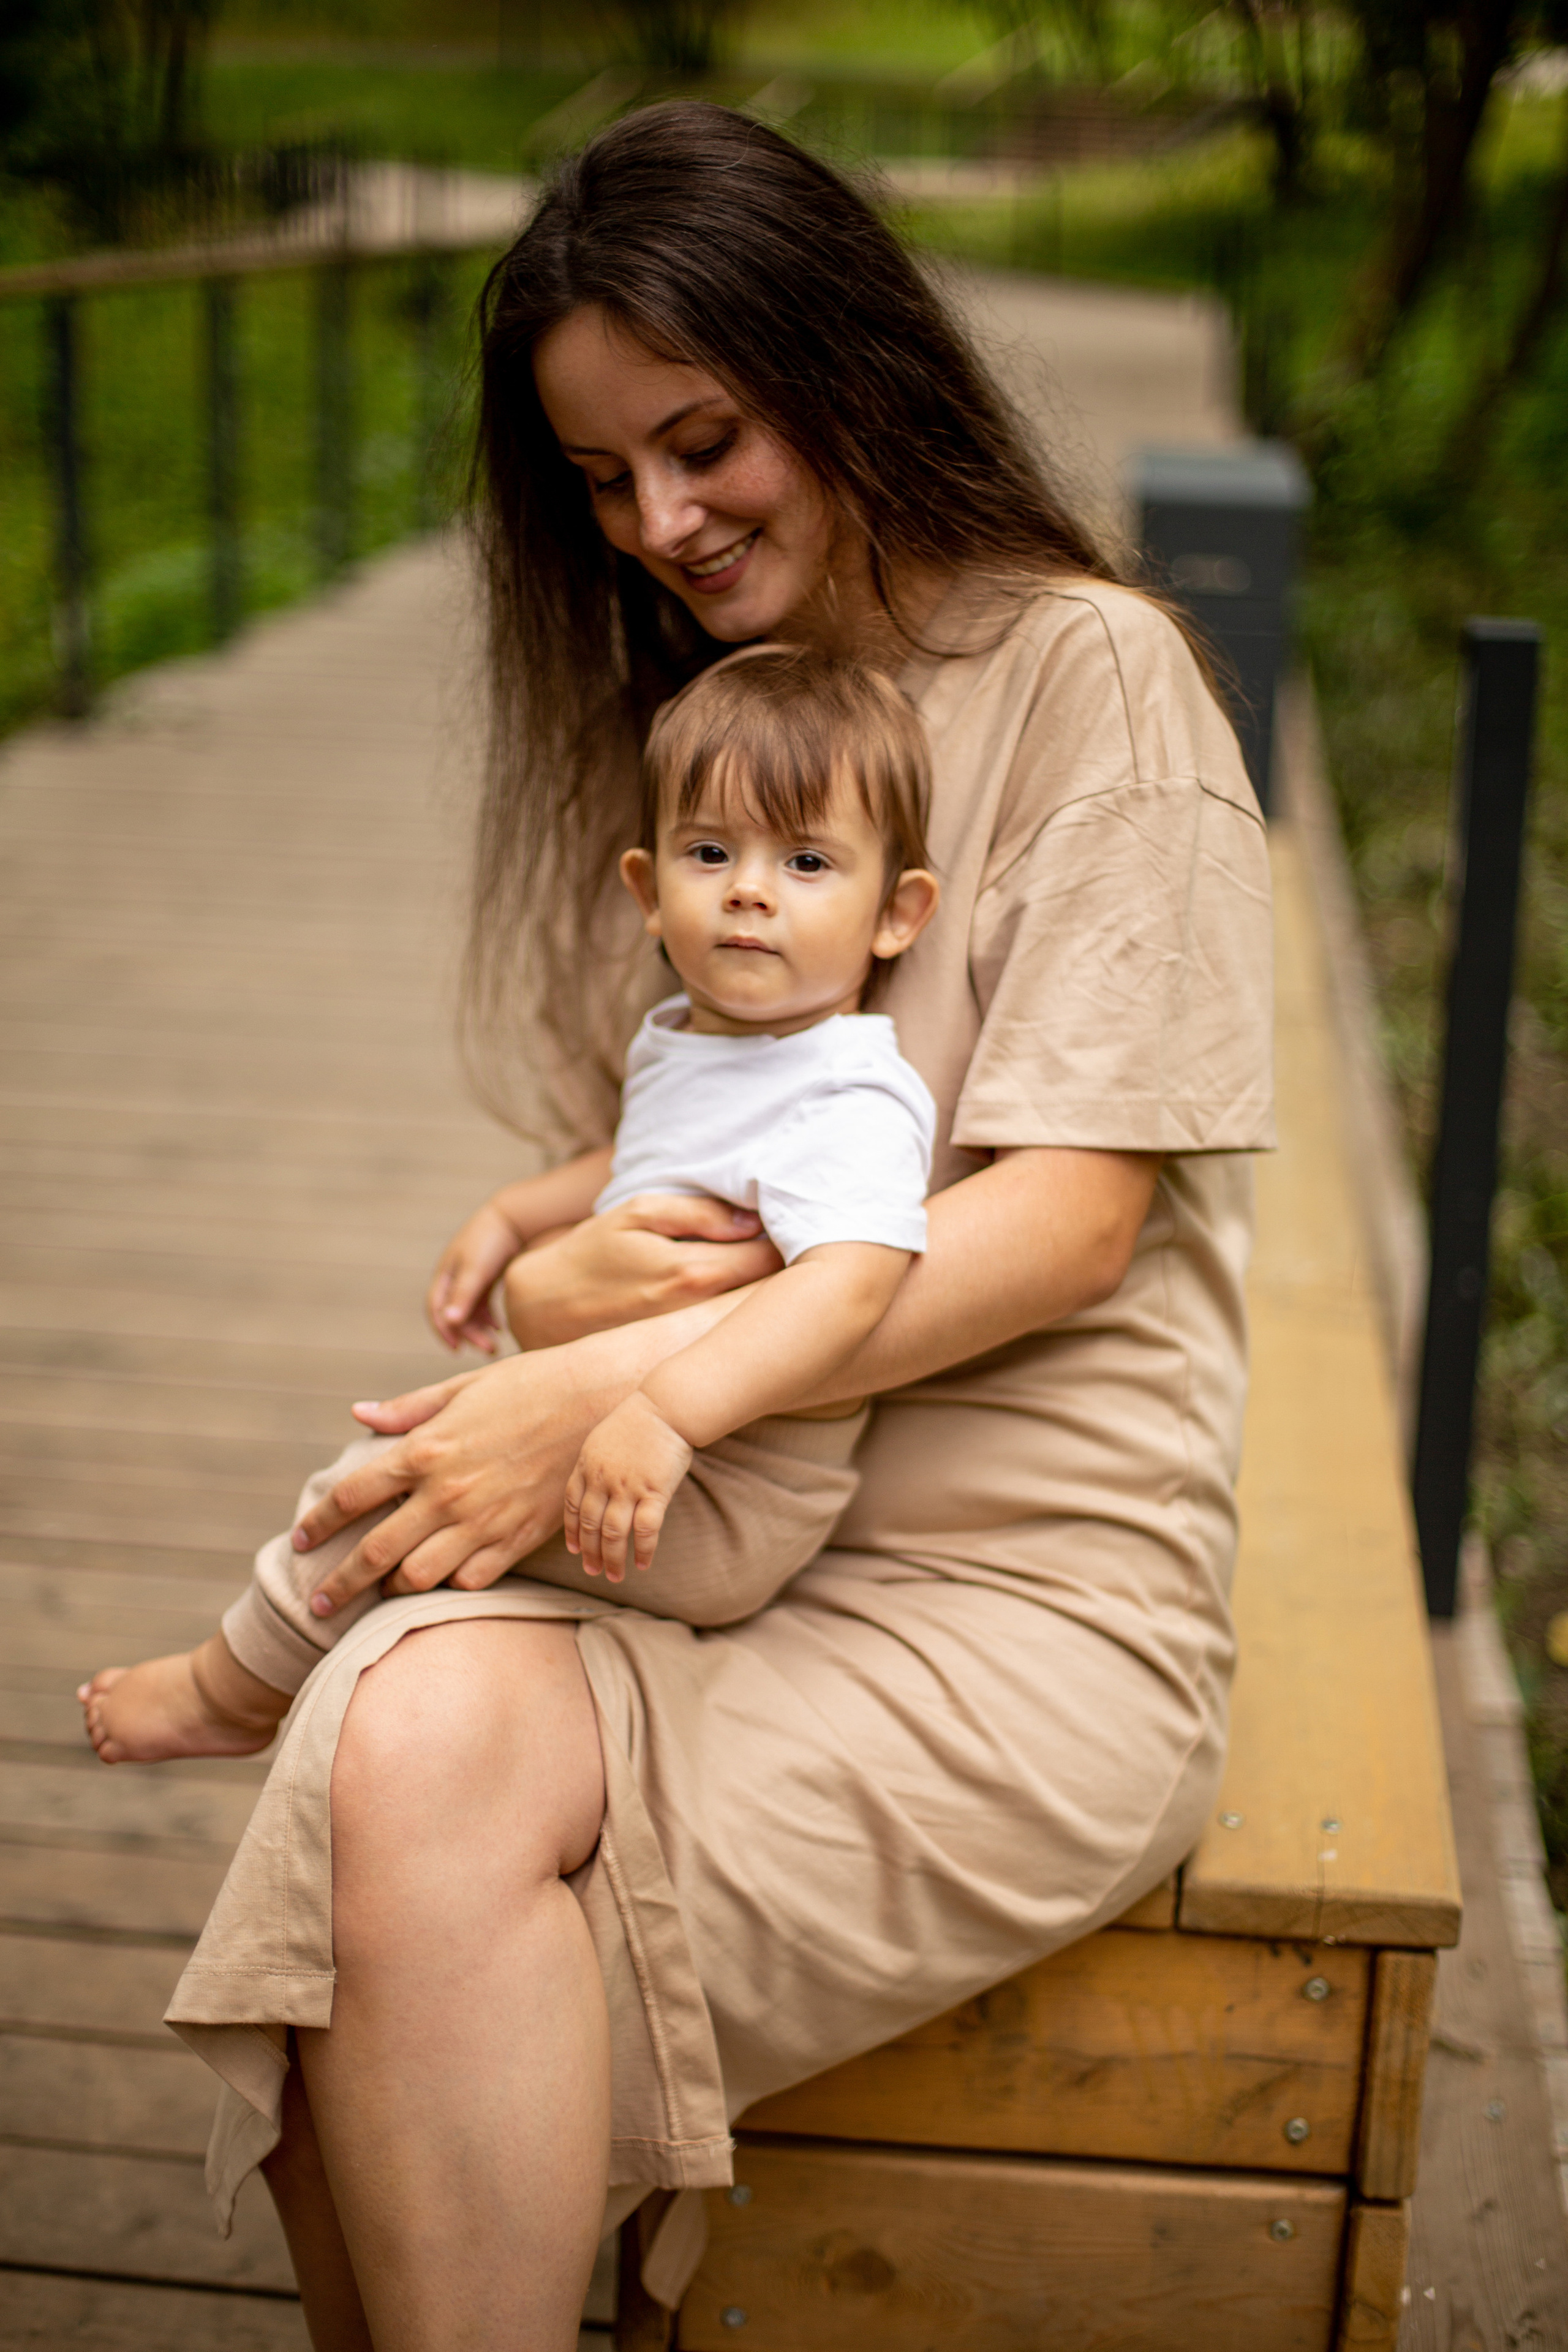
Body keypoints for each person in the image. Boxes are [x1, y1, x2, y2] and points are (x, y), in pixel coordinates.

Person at [136, 100, 1271, 2352]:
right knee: (400, 1744)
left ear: (842, 362)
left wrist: (590, 1376)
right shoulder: (711, 740)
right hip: (721, 1542)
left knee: (394, 1855)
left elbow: (1062, 1228)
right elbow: (646, 1202)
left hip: (1012, 1606)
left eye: (702, 439)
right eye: (597, 480)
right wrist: (561, 1296)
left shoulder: (1088, 679)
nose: (658, 523)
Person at [77, 647, 940, 1762]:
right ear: (647, 890)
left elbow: (855, 1282)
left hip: (733, 1484)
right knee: (429, 1485)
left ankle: (224, 1691)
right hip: (651, 1446)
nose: (750, 888)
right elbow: (646, 1155)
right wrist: (517, 1213)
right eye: (712, 851)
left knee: (380, 1487)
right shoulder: (706, 1038)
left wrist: (664, 1414)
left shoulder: (847, 1092)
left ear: (897, 915)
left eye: (810, 861)